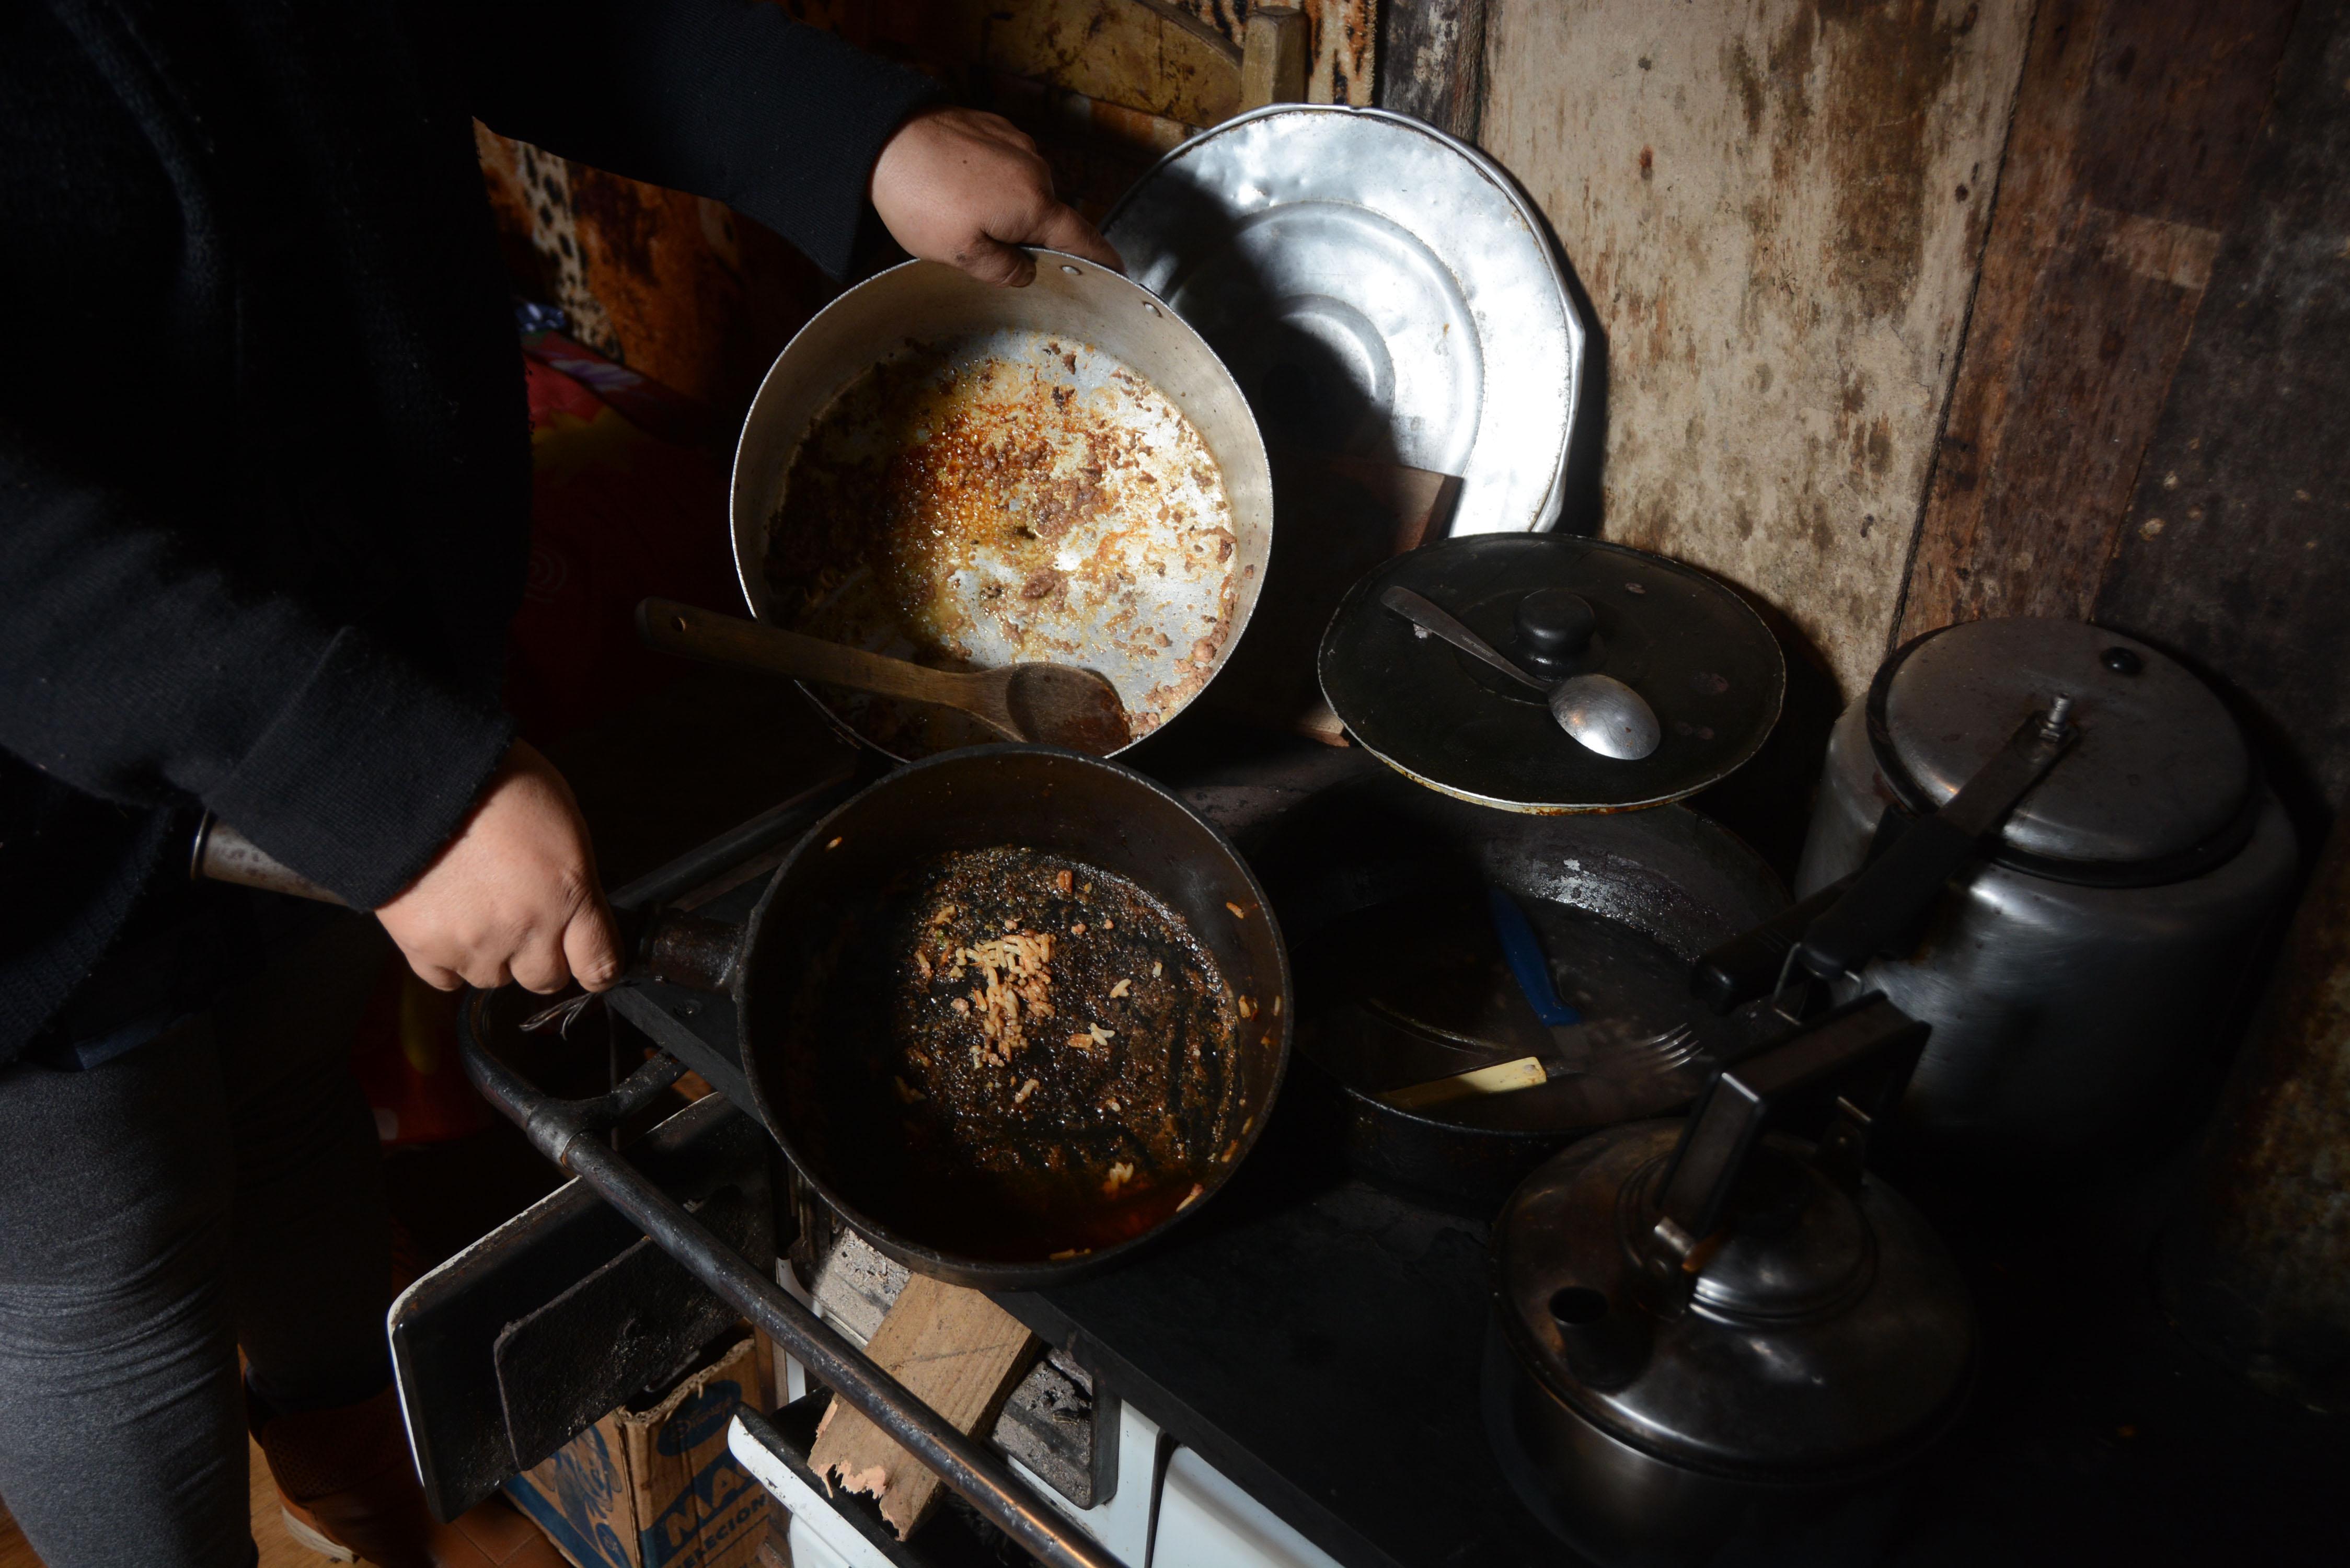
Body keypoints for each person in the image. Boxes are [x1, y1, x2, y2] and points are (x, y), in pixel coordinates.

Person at [0, 3, 1120, 1565]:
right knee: (105, 1279)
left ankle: (358, 1510)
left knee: (289, 1100)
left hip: (341, 642)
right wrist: (381, 785)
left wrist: (853, 132)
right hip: (40, 809)